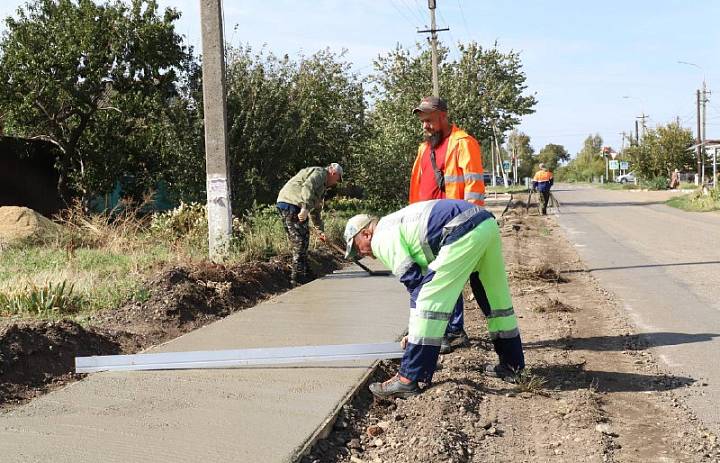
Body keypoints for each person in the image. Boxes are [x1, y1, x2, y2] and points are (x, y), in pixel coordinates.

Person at [343, 199, 525, 400]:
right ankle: (512, 365)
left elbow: (418, 289)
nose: (361, 254)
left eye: (357, 248)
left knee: (429, 299)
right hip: (485, 224)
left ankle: (408, 379)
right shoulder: (396, 225)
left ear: (366, 234)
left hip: (462, 228)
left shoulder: (381, 239)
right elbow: (419, 281)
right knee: (495, 298)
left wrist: (414, 333)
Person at [408, 96, 486, 354]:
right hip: (425, 224)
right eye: (422, 122)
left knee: (447, 276)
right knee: (435, 275)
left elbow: (474, 187)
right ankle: (449, 329)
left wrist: (471, 225)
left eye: (429, 120)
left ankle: (453, 331)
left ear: (443, 116)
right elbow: (417, 186)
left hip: (454, 223)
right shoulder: (424, 149)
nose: (425, 126)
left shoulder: (463, 143)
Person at [276, 163, 343, 286]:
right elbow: (308, 186)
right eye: (337, 179)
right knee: (299, 241)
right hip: (292, 203)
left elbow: (316, 212)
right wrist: (305, 208)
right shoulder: (320, 173)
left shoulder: (322, 187)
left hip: (293, 204)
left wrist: (320, 231)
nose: (335, 183)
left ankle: (304, 271)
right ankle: (297, 276)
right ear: (333, 173)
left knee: (304, 238)